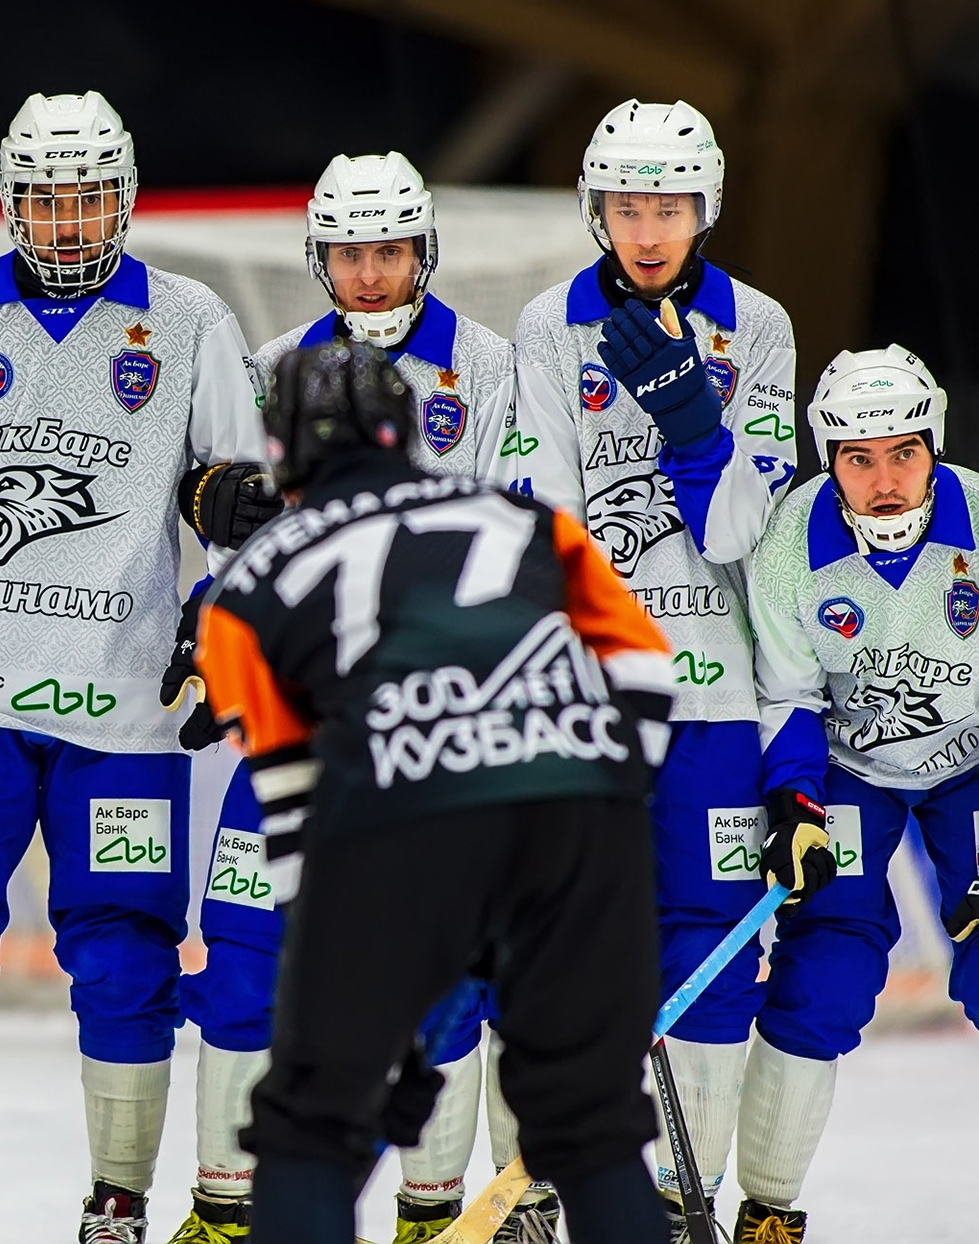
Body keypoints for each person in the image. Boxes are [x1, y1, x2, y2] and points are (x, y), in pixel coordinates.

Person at [0, 90, 270, 1244]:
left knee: (126, 952)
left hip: (121, 708)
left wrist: (219, 609)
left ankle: (118, 1203)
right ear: (11, 200)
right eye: (45, 200)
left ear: (124, 196)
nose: (67, 224)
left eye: (88, 199)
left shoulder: (189, 322)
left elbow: (244, 497)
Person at [195, 340, 676, 1244]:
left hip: (395, 819)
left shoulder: (245, 587)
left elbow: (296, 806)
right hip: (580, 806)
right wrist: (605, 800)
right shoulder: (522, 516)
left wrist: (365, 1005)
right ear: (406, 429)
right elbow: (647, 664)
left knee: (308, 1131)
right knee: (590, 1128)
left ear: (283, 449)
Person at [171, 152, 522, 1244]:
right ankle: (226, 1208)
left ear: (425, 251)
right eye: (349, 253)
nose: (370, 274)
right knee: (240, 957)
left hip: (434, 734)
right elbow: (240, 538)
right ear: (319, 256)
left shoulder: (493, 368)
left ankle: (429, 1215)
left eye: (391, 251)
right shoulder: (270, 367)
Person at [508, 99, 801, 1239]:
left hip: (721, 693)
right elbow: (547, 517)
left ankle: (687, 1195)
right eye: (626, 205)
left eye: (668, 204)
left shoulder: (759, 326)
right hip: (593, 693)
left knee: (717, 938)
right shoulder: (548, 323)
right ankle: (540, 1185)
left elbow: (742, 535)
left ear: (706, 206)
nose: (646, 229)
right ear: (596, 209)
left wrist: (693, 421)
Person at [740, 345, 979, 1242]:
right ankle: (767, 1212)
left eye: (903, 453)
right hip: (853, 771)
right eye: (857, 457)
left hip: (972, 766)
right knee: (825, 973)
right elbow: (790, 691)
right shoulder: (791, 541)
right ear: (827, 455)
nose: (883, 481)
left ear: (936, 444)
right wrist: (796, 803)